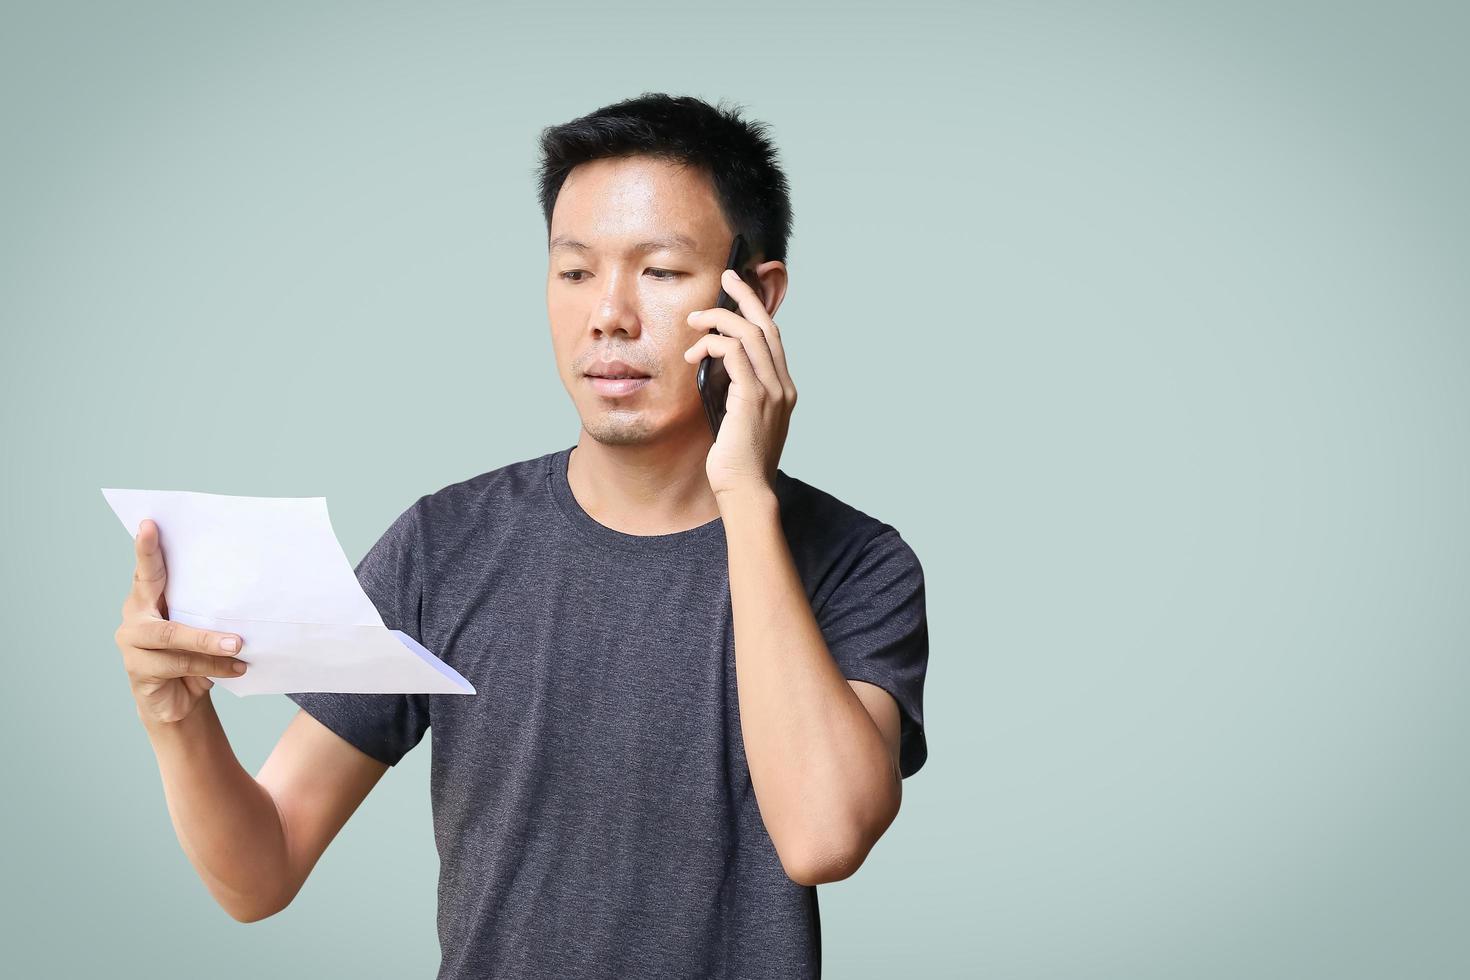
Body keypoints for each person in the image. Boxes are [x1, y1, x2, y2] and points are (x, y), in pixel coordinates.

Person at [113, 92, 930, 979]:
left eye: (659, 272)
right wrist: (177, 725)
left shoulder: (860, 565)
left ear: (757, 298)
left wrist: (743, 493)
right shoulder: (446, 544)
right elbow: (259, 872)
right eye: (575, 272)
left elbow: (821, 838)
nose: (608, 316)